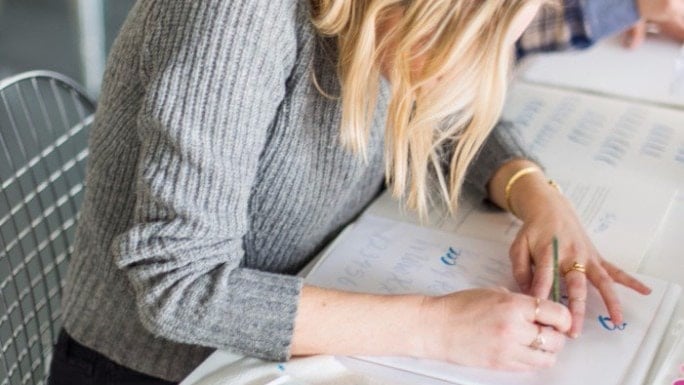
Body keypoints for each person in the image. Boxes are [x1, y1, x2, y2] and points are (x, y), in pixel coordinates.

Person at [47, 0, 676, 384]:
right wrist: (434, 328)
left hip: (303, 320)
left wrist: (533, 190)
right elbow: (177, 288)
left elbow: (442, 111)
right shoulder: (235, 13)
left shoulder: (392, 16)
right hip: (166, 367)